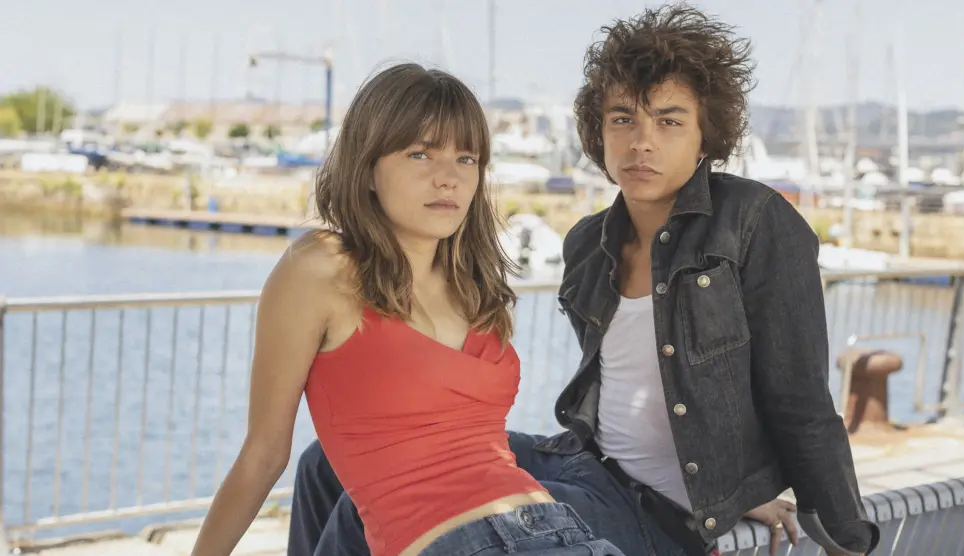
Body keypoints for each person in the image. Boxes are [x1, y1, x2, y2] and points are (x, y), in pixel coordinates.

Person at [286, 5, 881, 556]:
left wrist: (835, 530)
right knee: (323, 465)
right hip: (581, 463)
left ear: (707, 134)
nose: (641, 141)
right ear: (599, 131)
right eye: (623, 119)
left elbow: (801, 399)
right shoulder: (587, 244)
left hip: (657, 516)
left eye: (669, 121)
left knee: (410, 499)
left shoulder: (753, 223)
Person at [189, 62, 627, 556]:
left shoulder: (472, 285)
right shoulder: (321, 269)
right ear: (367, 168)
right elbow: (263, 454)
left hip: (563, 530)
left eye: (466, 158)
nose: (448, 178)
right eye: (420, 154)